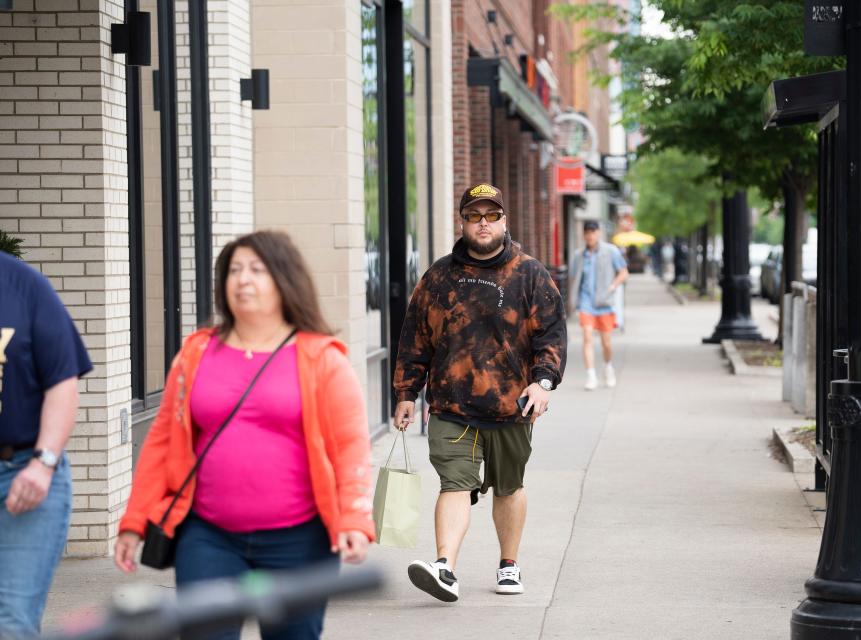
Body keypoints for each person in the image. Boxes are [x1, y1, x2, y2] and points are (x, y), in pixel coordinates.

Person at [113, 231, 374, 640]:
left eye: (256, 270)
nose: (242, 280)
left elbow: (350, 446)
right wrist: (135, 521)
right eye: (234, 270)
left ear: (285, 280)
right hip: (209, 537)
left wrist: (354, 519)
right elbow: (163, 439)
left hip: (300, 541)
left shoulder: (321, 358)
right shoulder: (197, 353)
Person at [393, 183, 566, 602]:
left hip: (511, 406)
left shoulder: (530, 274)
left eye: (491, 215)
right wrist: (406, 392)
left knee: (508, 487)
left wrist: (543, 383)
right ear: (463, 221)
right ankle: (445, 568)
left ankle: (509, 564)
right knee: (454, 482)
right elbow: (415, 338)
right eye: (474, 216)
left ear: (504, 220)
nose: (483, 223)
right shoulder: (439, 276)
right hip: (451, 405)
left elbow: (552, 337)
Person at [0, 251, 92, 636]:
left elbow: (62, 382)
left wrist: (43, 463)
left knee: (12, 623)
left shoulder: (22, 286)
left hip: (22, 473)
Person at [569, 220, 629, 390]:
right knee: (587, 336)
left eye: (593, 232)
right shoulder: (578, 255)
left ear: (599, 233)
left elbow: (624, 272)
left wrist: (613, 286)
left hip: (604, 302)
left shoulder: (611, 251)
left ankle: (608, 367)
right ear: (583, 234)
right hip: (586, 302)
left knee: (606, 342)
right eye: (587, 232)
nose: (590, 235)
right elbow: (574, 278)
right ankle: (591, 375)